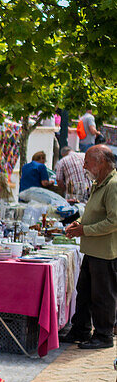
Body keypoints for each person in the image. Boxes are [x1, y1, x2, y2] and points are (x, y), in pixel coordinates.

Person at [61, 146, 117, 349]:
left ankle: (103, 336)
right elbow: (93, 212)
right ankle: (81, 330)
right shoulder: (99, 183)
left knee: (102, 296)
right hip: (92, 249)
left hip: (104, 252)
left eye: (87, 161)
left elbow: (114, 221)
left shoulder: (113, 185)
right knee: (84, 292)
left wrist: (85, 230)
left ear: (101, 161)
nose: (84, 165)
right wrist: (80, 223)